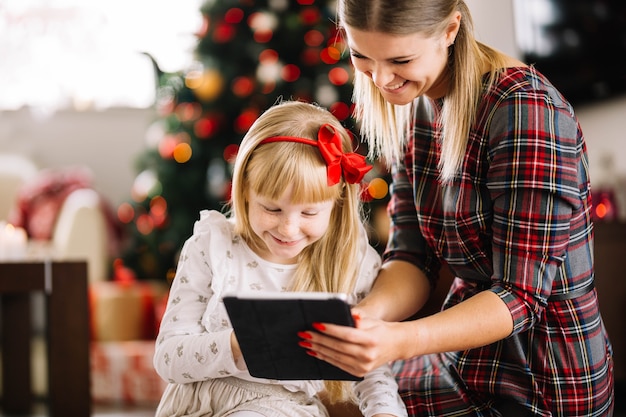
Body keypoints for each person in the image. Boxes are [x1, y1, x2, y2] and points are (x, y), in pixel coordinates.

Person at [297, 1, 615, 416]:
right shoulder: (418, 105)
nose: (380, 79)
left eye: (401, 60)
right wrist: (362, 319)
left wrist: (397, 340)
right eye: (362, 57)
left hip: (543, 381)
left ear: (450, 30)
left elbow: (519, 297)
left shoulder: (526, 112)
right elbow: (412, 256)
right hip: (465, 362)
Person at [153, 100, 407, 417]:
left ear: (337, 204)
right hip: (192, 406)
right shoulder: (211, 246)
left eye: (309, 212)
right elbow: (168, 360)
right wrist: (238, 344)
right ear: (244, 192)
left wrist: (385, 412)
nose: (288, 228)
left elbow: (369, 367)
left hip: (280, 407)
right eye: (271, 209)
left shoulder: (353, 263)